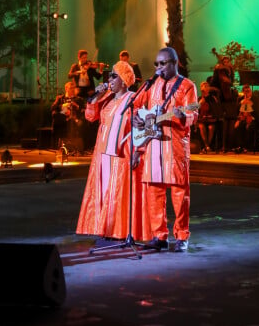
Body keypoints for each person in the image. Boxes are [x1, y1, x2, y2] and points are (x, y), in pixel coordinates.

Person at [76, 60, 152, 243]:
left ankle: (119, 229)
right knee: (103, 190)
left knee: (117, 192)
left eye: (114, 76)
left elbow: (144, 126)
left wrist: (139, 151)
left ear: (124, 80)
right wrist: (97, 95)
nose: (109, 79)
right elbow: (90, 116)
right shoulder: (107, 100)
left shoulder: (134, 99)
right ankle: (104, 227)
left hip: (122, 153)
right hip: (102, 154)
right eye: (110, 75)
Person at [132, 46, 198, 252]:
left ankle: (182, 236)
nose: (159, 67)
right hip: (152, 147)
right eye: (156, 64)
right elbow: (136, 105)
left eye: (163, 63)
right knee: (154, 193)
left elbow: (193, 114)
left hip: (175, 147)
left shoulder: (187, 86)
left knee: (179, 195)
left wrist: (182, 116)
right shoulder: (150, 85)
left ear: (175, 63)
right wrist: (136, 118)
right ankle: (159, 236)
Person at [210, 55, 237, 152]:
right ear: (222, 62)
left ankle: (228, 146)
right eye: (224, 61)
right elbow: (215, 81)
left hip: (228, 97)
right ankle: (222, 146)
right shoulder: (219, 70)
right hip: (221, 97)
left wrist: (231, 71)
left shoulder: (229, 72)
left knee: (229, 123)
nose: (226, 62)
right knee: (223, 124)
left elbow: (231, 82)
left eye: (228, 60)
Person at [197, 80, 219, 153]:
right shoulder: (199, 98)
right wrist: (201, 101)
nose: (204, 87)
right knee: (201, 127)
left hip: (210, 118)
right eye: (203, 86)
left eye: (206, 86)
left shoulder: (213, 98)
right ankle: (207, 146)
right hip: (202, 118)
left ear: (208, 88)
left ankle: (207, 146)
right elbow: (196, 108)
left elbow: (215, 108)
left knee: (210, 128)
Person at [234, 84, 257, 153]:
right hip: (243, 117)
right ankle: (241, 146)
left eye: (248, 90)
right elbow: (237, 111)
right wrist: (241, 103)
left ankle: (248, 147)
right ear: (243, 92)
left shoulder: (255, 99)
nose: (247, 92)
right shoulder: (240, 99)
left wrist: (251, 104)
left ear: (250, 91)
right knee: (238, 126)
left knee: (249, 127)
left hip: (252, 118)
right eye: (245, 91)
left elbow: (258, 111)